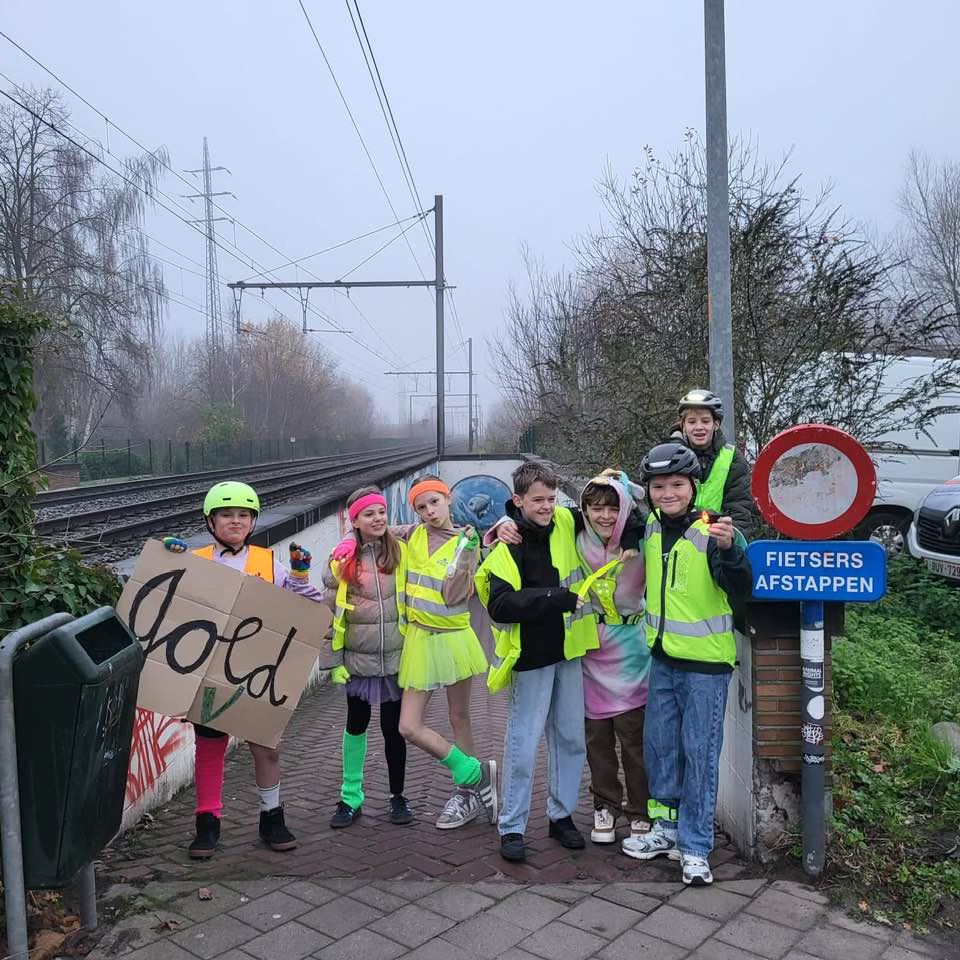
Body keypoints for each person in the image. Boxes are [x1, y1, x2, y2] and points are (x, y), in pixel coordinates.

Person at [162, 480, 324, 859]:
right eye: (226, 514)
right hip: (210, 669)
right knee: (210, 747)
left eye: (243, 515)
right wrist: (170, 559)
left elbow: (308, 607)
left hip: (259, 671)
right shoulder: (196, 559)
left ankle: (272, 817)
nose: (235, 521)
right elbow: (165, 598)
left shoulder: (269, 562)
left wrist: (299, 575)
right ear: (210, 521)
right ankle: (207, 822)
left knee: (267, 748)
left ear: (252, 521)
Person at [620, 443, 752, 887]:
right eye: (659, 486)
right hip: (662, 658)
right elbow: (600, 511)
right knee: (661, 748)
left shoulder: (713, 530)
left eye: (677, 485)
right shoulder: (651, 528)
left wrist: (732, 549)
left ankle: (695, 848)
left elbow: (742, 585)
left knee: (699, 754)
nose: (668, 493)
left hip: (705, 666)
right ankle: (667, 828)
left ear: (693, 486)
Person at [474, 460, 602, 863]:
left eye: (551, 498)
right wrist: (555, 599)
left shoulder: (567, 519)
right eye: (537, 500)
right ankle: (512, 826)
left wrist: (613, 483)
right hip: (529, 655)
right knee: (523, 744)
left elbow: (611, 512)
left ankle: (560, 816)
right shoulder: (506, 545)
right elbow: (499, 605)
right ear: (518, 501)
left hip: (568, 650)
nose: (547, 507)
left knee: (569, 738)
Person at [393, 474, 498, 830]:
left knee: (459, 717)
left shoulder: (466, 542)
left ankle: (467, 795)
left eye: (434, 503)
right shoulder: (411, 533)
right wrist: (350, 542)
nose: (429, 511)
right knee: (408, 726)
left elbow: (455, 596)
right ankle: (473, 772)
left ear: (449, 498)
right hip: (420, 640)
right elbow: (368, 528)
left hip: (454, 638)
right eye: (421, 507)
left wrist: (467, 554)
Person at [321, 486, 411, 829]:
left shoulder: (400, 551)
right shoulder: (342, 558)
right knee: (355, 727)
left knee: (394, 731)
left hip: (397, 661)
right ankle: (350, 798)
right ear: (354, 520)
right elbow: (329, 612)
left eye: (381, 512)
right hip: (357, 663)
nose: (378, 519)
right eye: (368, 514)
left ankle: (398, 797)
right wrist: (332, 663)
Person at [672, 389, 756, 536]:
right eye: (692, 421)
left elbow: (740, 508)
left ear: (716, 424)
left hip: (717, 542)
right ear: (683, 425)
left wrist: (732, 540)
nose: (699, 427)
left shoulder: (732, 458)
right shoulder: (670, 455)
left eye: (705, 421)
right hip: (677, 539)